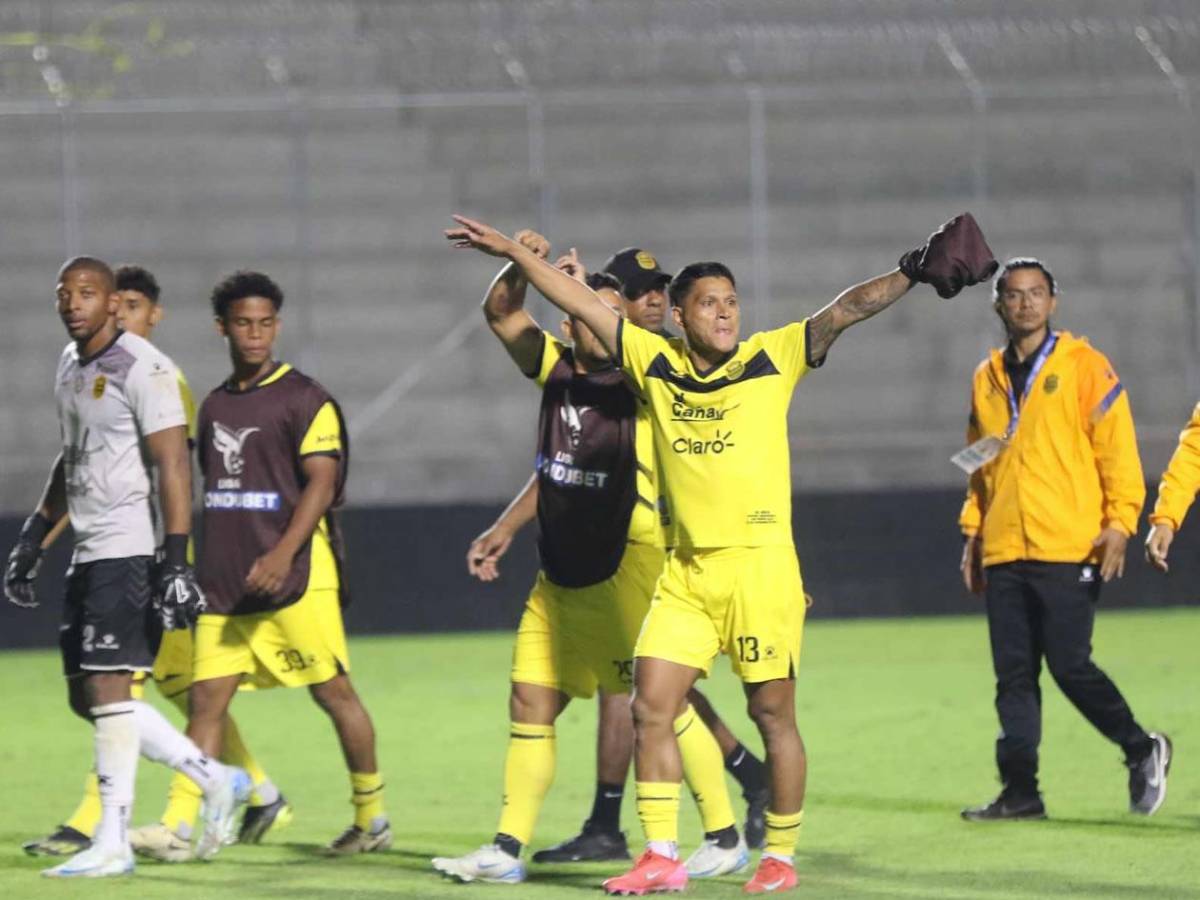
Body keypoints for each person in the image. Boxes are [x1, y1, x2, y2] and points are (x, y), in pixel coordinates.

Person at [444, 211, 995, 894]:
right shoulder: (652, 363)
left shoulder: (773, 356)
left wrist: (912, 271)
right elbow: (577, 301)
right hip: (685, 570)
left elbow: (846, 309)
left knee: (772, 716)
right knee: (652, 703)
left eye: (732, 301)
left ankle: (780, 858)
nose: (726, 314)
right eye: (710, 303)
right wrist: (507, 251)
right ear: (678, 315)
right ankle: (663, 856)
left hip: (757, 568)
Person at [436, 235, 747, 885]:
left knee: (664, 701)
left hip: (625, 565)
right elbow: (500, 311)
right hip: (560, 572)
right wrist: (522, 263)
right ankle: (505, 849)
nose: (594, 324)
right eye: (581, 310)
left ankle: (724, 834)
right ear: (566, 315)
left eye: (607, 312)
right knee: (528, 701)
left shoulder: (644, 380)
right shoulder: (554, 366)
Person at [20, 265, 292, 863]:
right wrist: (36, 534)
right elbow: (72, 457)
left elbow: (173, 466)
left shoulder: (145, 367)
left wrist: (174, 561)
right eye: (63, 294)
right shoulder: (71, 363)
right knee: (89, 698)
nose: (73, 304)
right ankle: (218, 778)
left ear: (113, 303)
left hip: (131, 547)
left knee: (117, 691)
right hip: (90, 547)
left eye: (87, 294)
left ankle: (111, 839)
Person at [958, 257, 1171, 821]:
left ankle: (1141, 747)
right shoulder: (987, 377)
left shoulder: (1085, 366)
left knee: (1070, 664)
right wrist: (974, 534)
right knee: (1014, 678)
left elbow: (1117, 449)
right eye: (1014, 294)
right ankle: (1022, 792)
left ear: (1053, 302)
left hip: (1070, 543)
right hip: (1006, 547)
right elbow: (980, 465)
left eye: (1036, 293)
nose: (1025, 303)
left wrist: (1122, 522)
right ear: (998, 304)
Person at [185, 270, 389, 854]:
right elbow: (220, 498)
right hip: (228, 586)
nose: (256, 334)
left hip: (297, 578)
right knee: (207, 703)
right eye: (244, 324)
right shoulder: (216, 405)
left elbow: (321, 486)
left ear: (277, 324)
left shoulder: (305, 398)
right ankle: (188, 824)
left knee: (333, 694)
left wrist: (281, 553)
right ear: (221, 327)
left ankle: (371, 818)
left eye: (266, 323)